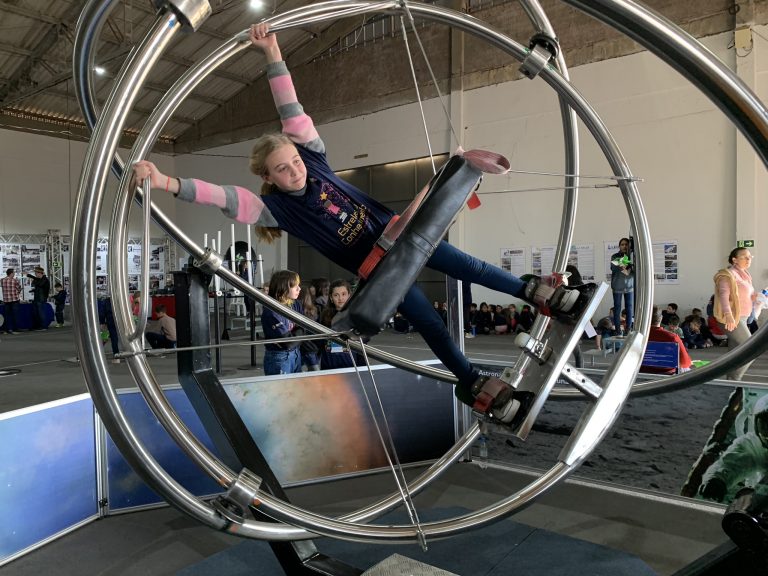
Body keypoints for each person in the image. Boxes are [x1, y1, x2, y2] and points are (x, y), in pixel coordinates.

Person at [132, 23, 595, 425]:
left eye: (294, 160)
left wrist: (273, 53)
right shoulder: (275, 210)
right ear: (268, 177)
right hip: (381, 270)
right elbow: (221, 197)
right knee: (430, 323)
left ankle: (538, 295)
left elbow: (291, 109)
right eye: (282, 169)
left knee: (471, 267)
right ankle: (472, 381)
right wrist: (168, 182)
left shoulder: (315, 160)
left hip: (404, 235)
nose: (294, 170)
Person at [713, 247, 757, 380]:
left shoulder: (745, 275)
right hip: (732, 318)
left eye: (750, 257)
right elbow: (723, 295)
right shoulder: (728, 275)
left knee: (735, 353)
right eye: (745, 257)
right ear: (735, 260)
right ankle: (734, 381)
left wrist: (755, 297)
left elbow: (743, 296)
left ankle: (731, 383)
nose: (749, 259)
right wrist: (728, 315)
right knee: (752, 349)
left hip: (743, 317)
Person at [261, 270, 303, 375]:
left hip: (296, 354)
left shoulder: (295, 304)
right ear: (283, 287)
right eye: (295, 286)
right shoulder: (271, 312)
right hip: (279, 358)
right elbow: (288, 343)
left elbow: (304, 328)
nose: (299, 289)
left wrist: (297, 334)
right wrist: (299, 332)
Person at [319, 279, 367, 369]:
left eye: (343, 294)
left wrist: (362, 368)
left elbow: (362, 346)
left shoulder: (357, 316)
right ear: (331, 298)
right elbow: (320, 343)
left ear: (349, 295)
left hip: (351, 366)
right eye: (336, 295)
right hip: (329, 366)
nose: (340, 298)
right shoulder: (324, 317)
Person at [641, 305, 692, 374]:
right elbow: (685, 362)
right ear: (661, 318)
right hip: (667, 373)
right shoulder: (673, 337)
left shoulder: (638, 336)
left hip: (641, 371)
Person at [610, 237, 634, 335]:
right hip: (617, 286)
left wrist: (628, 266)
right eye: (622, 244)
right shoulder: (615, 256)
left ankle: (628, 329)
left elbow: (633, 270)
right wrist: (626, 265)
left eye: (626, 244)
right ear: (619, 246)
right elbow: (614, 268)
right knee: (617, 308)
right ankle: (618, 330)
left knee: (629, 308)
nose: (624, 246)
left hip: (629, 287)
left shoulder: (632, 256)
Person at [297, 285, 320, 371]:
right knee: (315, 372)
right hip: (311, 346)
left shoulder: (296, 310)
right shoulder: (313, 310)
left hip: (299, 346)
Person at [27, 266, 50, 330]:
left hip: (41, 299)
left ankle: (44, 326)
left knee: (41, 313)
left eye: (36, 273)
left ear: (40, 273)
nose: (35, 275)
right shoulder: (40, 279)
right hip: (37, 298)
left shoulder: (45, 279)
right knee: (36, 313)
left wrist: (32, 278)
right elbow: (38, 286)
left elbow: (40, 284)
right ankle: (38, 326)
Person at [1, 268, 22, 334]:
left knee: (7, 316)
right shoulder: (15, 280)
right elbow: (19, 289)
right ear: (11, 273)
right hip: (14, 300)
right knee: (15, 315)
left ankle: (7, 329)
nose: (14, 274)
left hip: (6, 300)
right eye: (14, 273)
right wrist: (18, 291)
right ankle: (15, 329)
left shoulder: (2, 280)